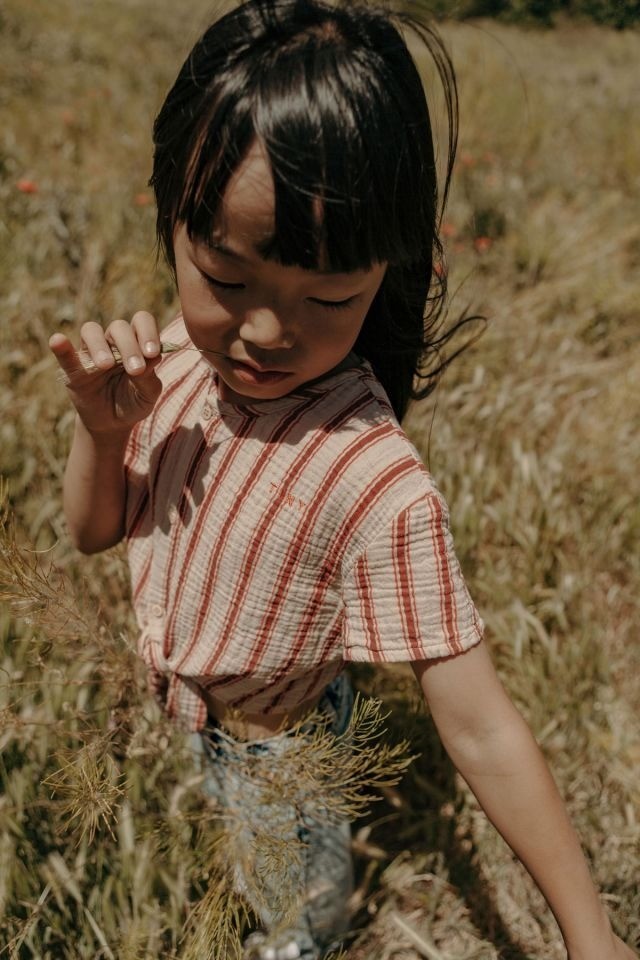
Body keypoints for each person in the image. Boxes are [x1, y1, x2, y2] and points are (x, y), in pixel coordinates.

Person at [49, 2, 636, 959]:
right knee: (231, 827)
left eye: (328, 296)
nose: (265, 332)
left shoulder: (373, 481)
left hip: (286, 744)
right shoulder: (175, 362)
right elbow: (91, 532)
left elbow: (482, 728)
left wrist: (591, 936)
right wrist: (103, 429)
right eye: (226, 277)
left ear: (388, 271)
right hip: (194, 713)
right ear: (173, 220)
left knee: (294, 896)